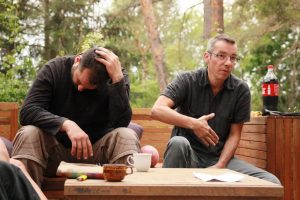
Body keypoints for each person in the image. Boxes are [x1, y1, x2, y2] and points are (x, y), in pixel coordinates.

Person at [151, 34, 280, 184]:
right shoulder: (187, 80)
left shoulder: (241, 90)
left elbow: (234, 134)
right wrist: (194, 123)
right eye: (221, 56)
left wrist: (220, 165)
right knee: (178, 142)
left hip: (220, 159)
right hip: (187, 156)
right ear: (207, 57)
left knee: (271, 181)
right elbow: (157, 110)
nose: (228, 63)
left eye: (233, 58)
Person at [11, 47, 140, 187]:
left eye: (88, 87)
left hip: (98, 157)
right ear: (77, 60)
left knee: (126, 135)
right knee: (29, 132)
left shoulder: (115, 76)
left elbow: (121, 123)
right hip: (54, 154)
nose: (80, 89)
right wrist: (66, 124)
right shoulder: (55, 69)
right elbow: (27, 111)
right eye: (78, 81)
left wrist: (118, 81)